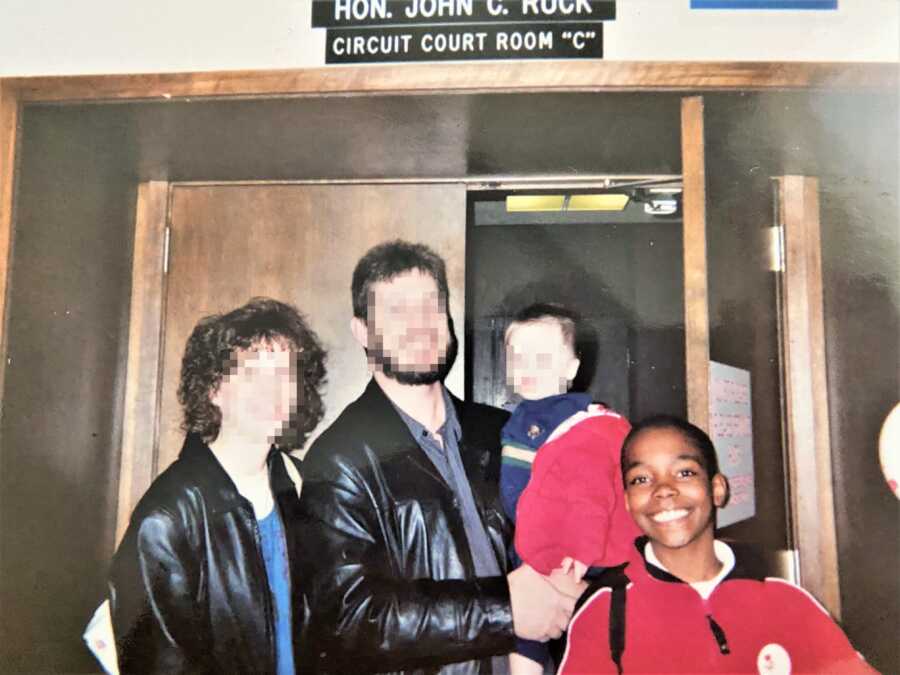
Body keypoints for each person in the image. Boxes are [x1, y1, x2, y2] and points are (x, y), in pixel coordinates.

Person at [297, 240, 578, 674]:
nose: (421, 324)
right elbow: (351, 619)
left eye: (431, 305)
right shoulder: (340, 459)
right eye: (396, 310)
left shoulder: (501, 432)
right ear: (361, 331)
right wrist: (504, 609)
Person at [558, 415, 877, 674]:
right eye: (642, 479)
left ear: (717, 489)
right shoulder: (605, 611)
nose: (664, 490)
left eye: (684, 473)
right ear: (628, 502)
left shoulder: (787, 601)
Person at [107, 297, 326, 674]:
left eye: (285, 374)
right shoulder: (167, 517)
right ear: (213, 390)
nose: (274, 391)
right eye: (254, 375)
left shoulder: (303, 489)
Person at [500, 304, 640, 675]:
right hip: (534, 549)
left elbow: (589, 492)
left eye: (541, 359)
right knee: (527, 636)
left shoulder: (575, 422)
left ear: (571, 369)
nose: (527, 368)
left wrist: (579, 550)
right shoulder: (523, 415)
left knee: (579, 641)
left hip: (571, 555)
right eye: (517, 357)